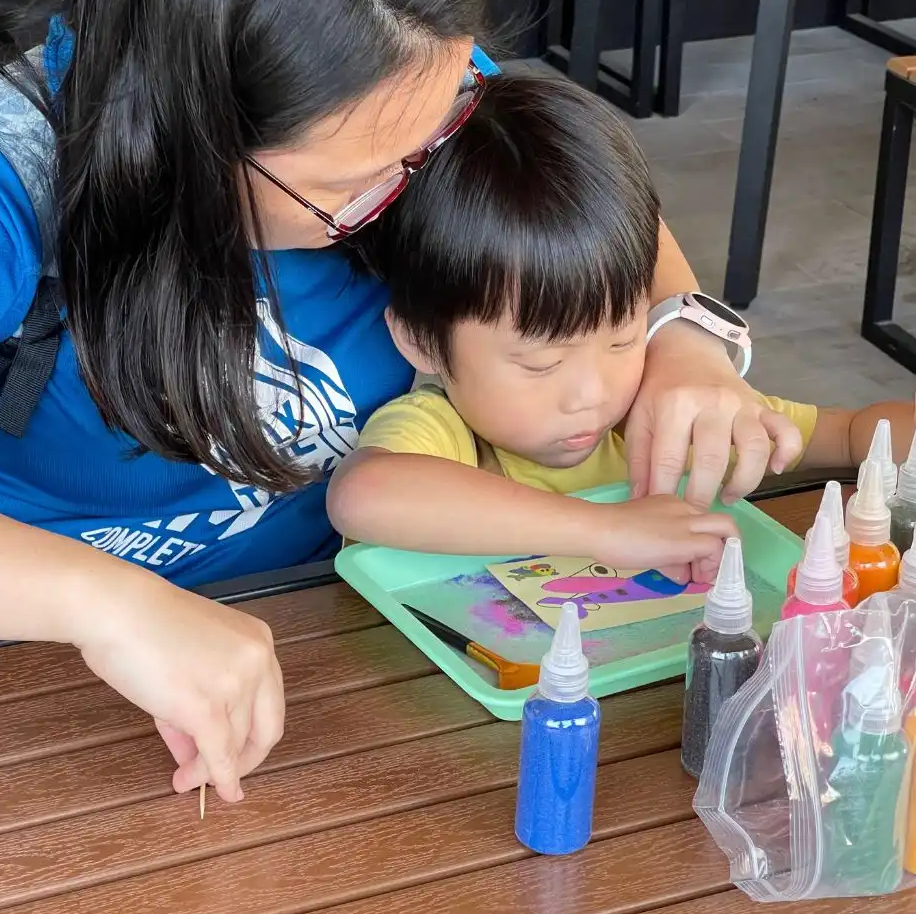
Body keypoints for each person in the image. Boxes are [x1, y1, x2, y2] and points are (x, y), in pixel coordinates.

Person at [0, 0, 795, 804]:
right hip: (10, 693)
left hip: (358, 636)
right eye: (348, 191)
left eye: (435, 139)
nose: (405, 193)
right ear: (189, 130)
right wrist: (103, 600)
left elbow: (581, 202)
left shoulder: (403, 73)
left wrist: (684, 333)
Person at [329, 74, 913, 578]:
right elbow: (365, 494)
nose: (592, 394)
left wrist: (885, 439)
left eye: (623, 338)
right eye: (541, 362)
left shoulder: (656, 412)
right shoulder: (443, 431)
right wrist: (605, 528)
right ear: (421, 339)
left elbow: (857, 434)